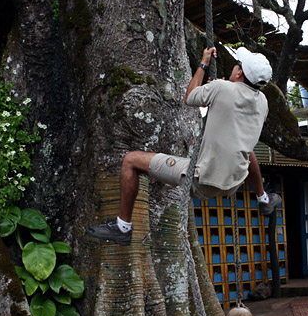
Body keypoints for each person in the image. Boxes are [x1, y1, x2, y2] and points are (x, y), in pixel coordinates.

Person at [86, 46, 281, 245]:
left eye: (237, 65)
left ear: (239, 72)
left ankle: (123, 227)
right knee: (247, 151)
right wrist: (217, 89)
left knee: (130, 160)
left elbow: (190, 97)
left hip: (203, 180)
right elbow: (233, 109)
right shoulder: (263, 102)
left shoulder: (222, 89)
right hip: (233, 182)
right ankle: (263, 198)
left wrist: (203, 63)